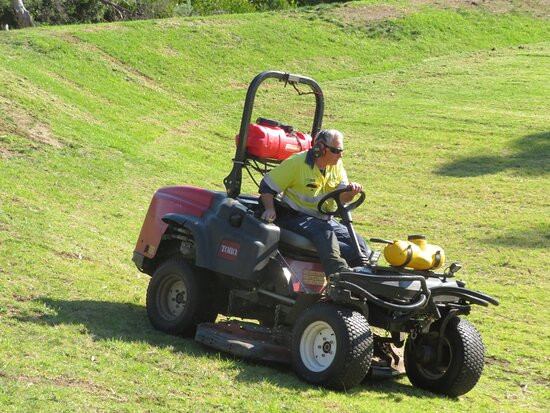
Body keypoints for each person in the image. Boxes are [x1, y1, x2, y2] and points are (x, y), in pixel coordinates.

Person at [259, 129, 371, 276]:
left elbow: (343, 198)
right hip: (294, 216)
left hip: (324, 218)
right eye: (336, 150)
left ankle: (364, 273)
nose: (341, 154)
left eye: (341, 150)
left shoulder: (337, 165)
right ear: (320, 148)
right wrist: (269, 208)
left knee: (359, 244)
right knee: (325, 233)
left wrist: (351, 192)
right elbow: (267, 187)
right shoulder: (296, 163)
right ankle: (337, 275)